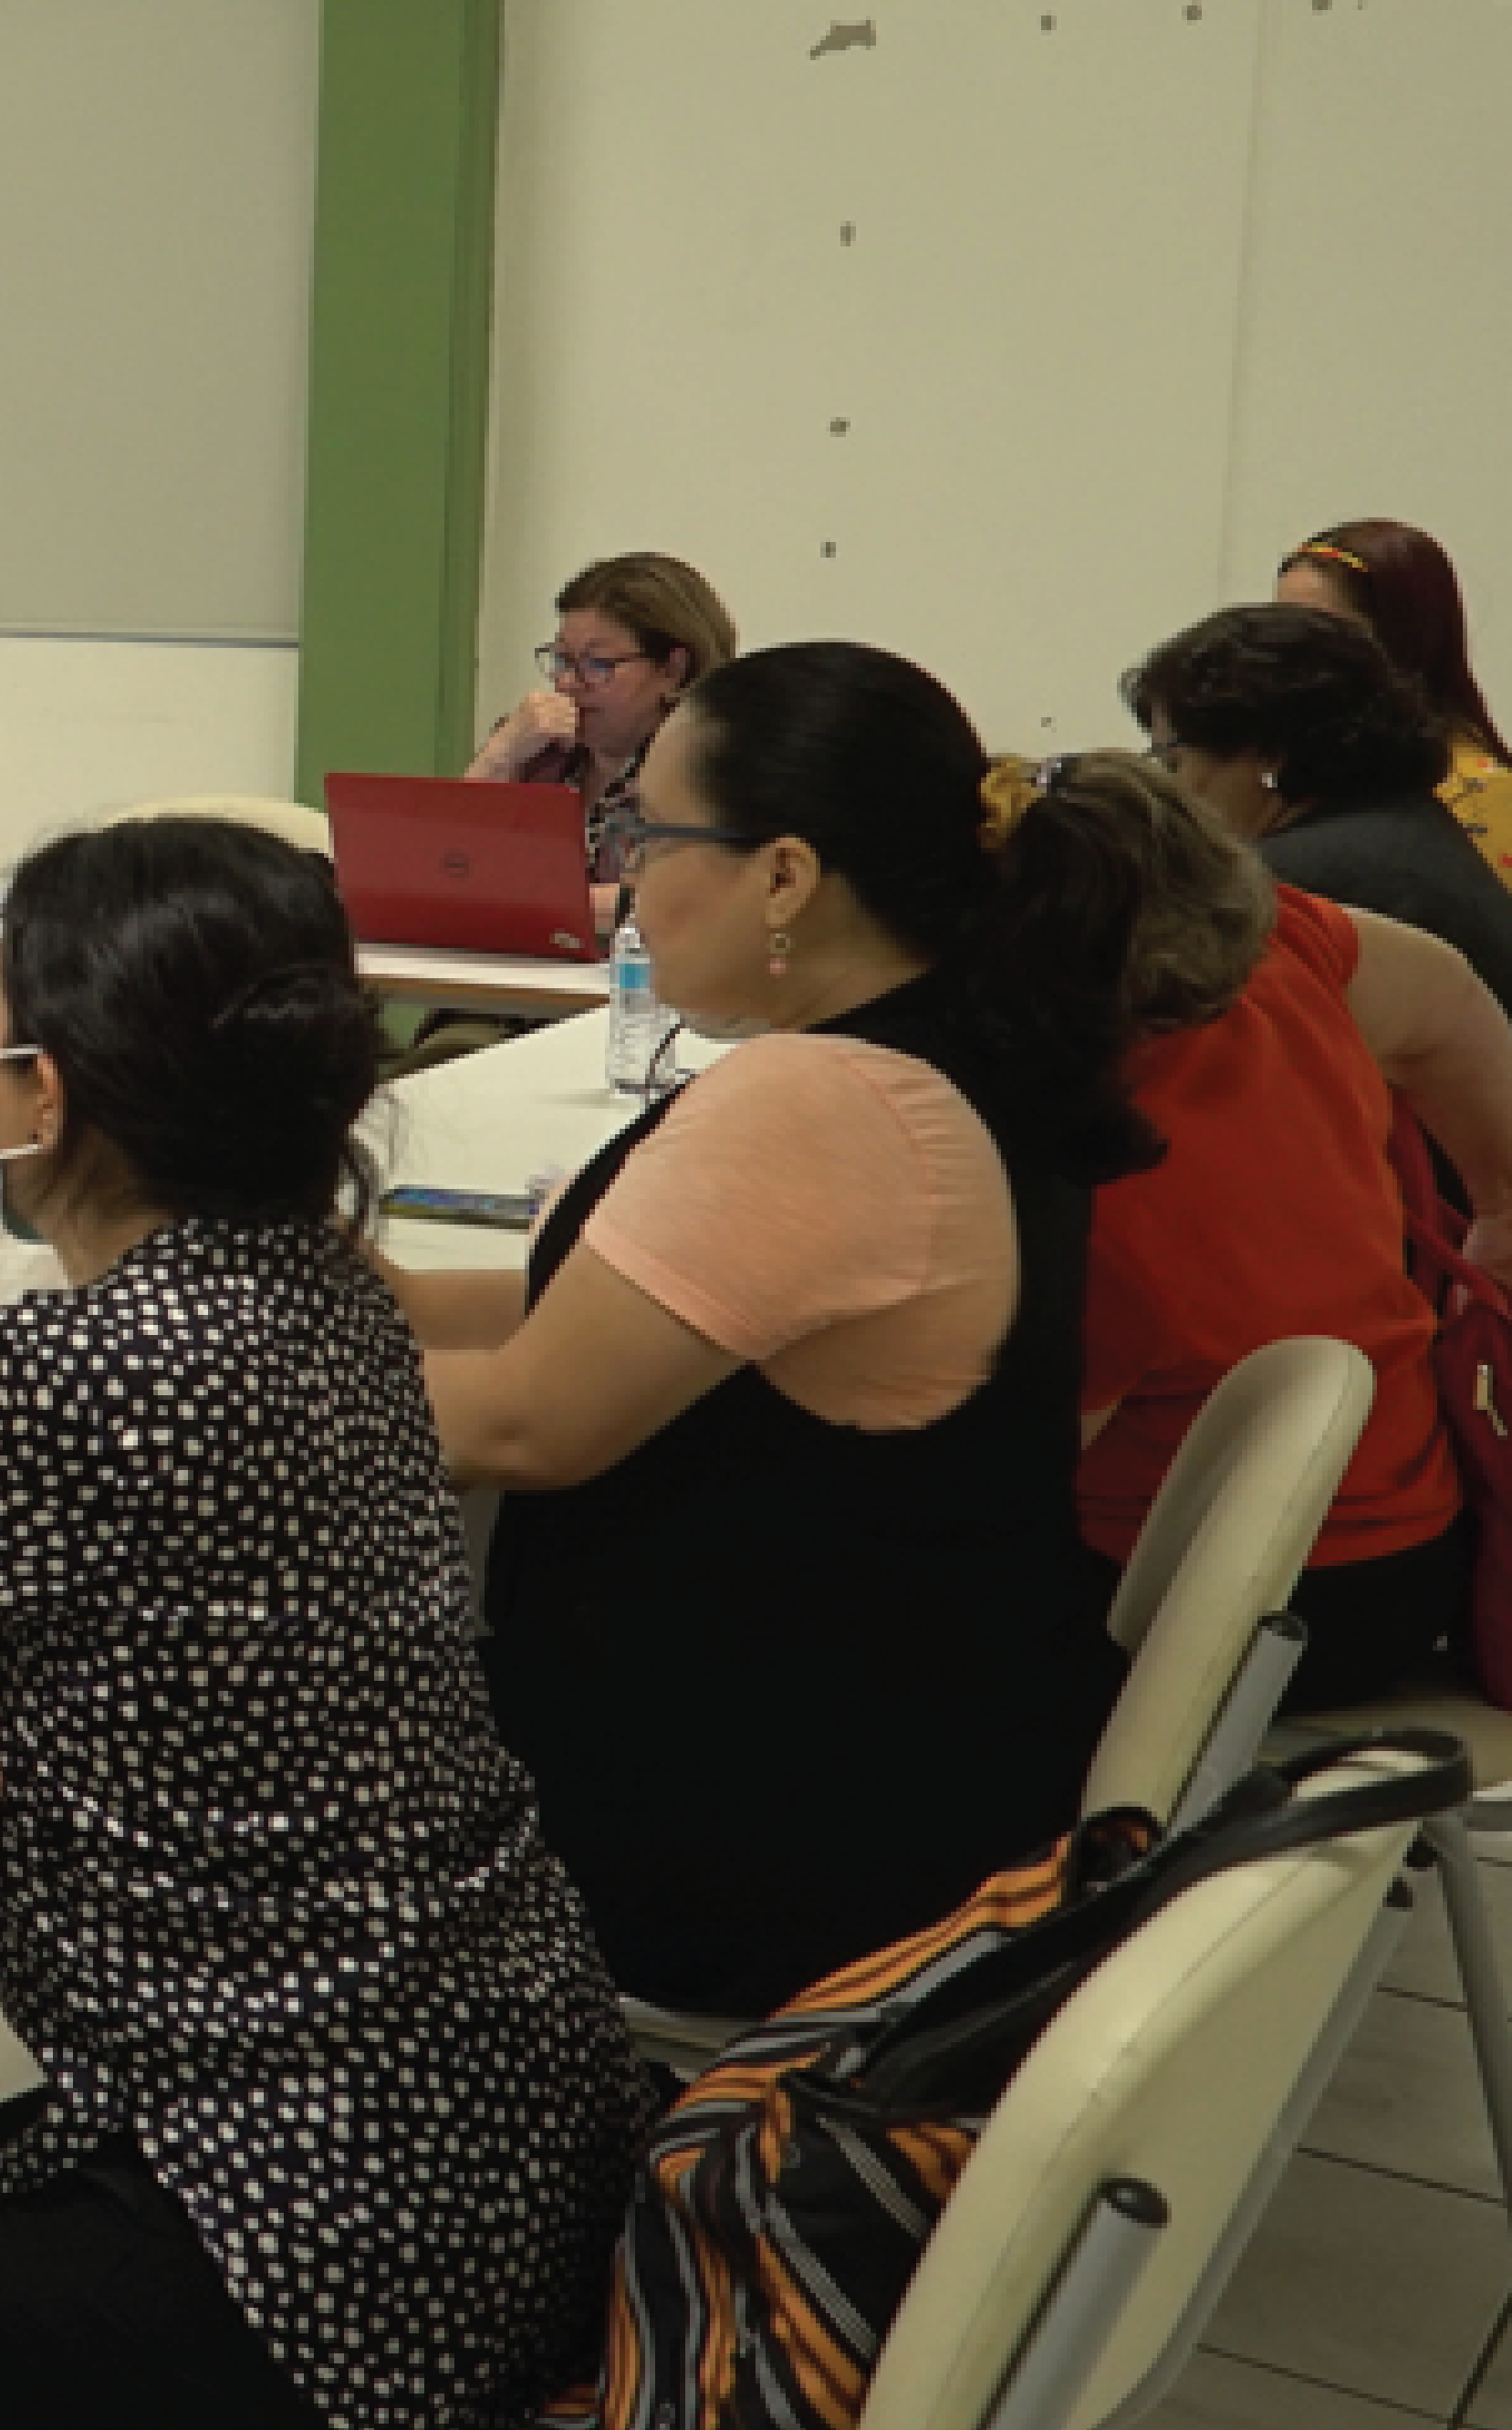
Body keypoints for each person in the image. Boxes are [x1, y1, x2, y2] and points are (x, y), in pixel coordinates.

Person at [0, 819, 649, 2430]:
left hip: (323, 2202)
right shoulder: (334, 1296)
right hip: (518, 2109)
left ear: (52, 1090)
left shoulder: (78, 1360)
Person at [391, 644, 1151, 2019]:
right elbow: (660, 1307)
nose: (623, 874)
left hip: (761, 1833)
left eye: (646, 832)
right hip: (912, 1755)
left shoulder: (815, 1100)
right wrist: (353, 1294)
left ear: (784, 875)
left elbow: (524, 1425)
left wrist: (209, 1389)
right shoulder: (949, 1047)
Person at [1043, 750, 1512, 1706]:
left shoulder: (1104, 1171)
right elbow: (1452, 997)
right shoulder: (1290, 950)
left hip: (1215, 1614)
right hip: (1415, 1546)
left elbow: (1001, 1483)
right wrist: (1501, 1209)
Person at [1130, 600, 1512, 1026]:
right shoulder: (1407, 829)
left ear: (1266, 757)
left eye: (1172, 763)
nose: (1170, 792)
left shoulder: (1291, 884)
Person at [464, 550, 738, 881]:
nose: (566, 682)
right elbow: (451, 868)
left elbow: (692, 899)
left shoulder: (709, 769)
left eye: (597, 664)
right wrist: (497, 757)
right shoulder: (537, 751)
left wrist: (548, 902)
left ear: (673, 670)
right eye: (562, 659)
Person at [1280, 517, 1512, 887]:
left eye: (1321, 631)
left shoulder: (1482, 793)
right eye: (1281, 627)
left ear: (1402, 640)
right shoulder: (1294, 769)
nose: (1290, 653)